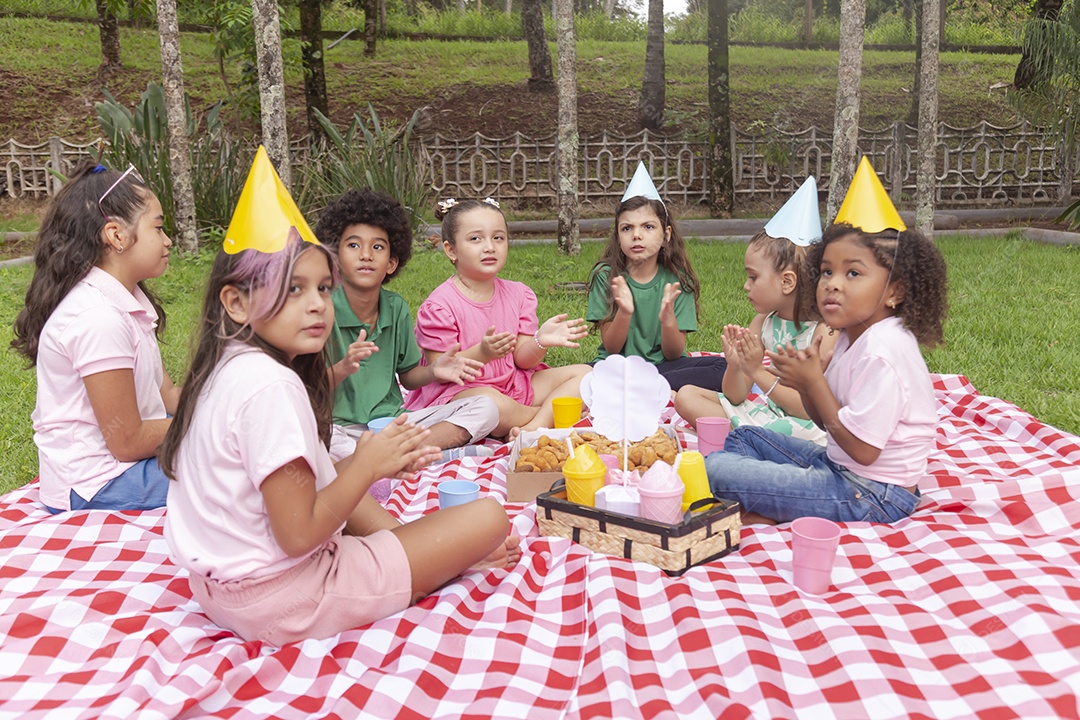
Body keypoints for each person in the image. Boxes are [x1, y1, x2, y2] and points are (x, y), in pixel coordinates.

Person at [161, 150, 520, 646]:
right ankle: (428, 555)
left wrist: (392, 509)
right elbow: (299, 535)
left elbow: (321, 480)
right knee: (489, 518)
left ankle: (416, 549)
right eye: (292, 289)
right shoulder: (271, 386)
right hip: (292, 597)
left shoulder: (226, 367)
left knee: (389, 504)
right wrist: (369, 466)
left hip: (223, 591)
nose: (315, 303)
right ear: (236, 301)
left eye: (323, 288)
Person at [705, 159, 948, 525]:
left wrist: (813, 383)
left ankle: (769, 509)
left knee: (715, 470)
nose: (833, 283)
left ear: (894, 291)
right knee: (747, 439)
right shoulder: (853, 337)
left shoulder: (884, 351)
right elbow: (826, 422)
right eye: (826, 272)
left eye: (853, 273)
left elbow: (864, 451)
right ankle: (775, 505)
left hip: (873, 493)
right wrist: (806, 385)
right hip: (840, 466)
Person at [12, 161, 177, 512]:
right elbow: (128, 441)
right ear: (116, 235)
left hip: (127, 466)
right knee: (241, 478)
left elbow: (171, 397)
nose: (168, 240)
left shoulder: (127, 302)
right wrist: (209, 426)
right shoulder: (97, 318)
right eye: (159, 229)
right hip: (97, 482)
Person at [314, 189, 499, 464]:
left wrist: (435, 371)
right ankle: (428, 456)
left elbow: (409, 377)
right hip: (340, 429)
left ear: (391, 263)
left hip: (393, 424)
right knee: (317, 443)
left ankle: (389, 459)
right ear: (335, 258)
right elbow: (305, 386)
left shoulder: (396, 307)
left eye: (377, 247)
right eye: (353, 245)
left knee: (486, 407)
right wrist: (343, 367)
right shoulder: (320, 309)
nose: (366, 255)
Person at [404, 197, 592, 437]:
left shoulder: (519, 294)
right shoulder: (439, 307)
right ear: (451, 250)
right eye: (475, 239)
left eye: (498, 238)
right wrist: (482, 353)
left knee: (585, 375)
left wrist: (540, 341)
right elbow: (441, 372)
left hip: (512, 384)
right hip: (462, 393)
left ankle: (530, 427)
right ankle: (545, 416)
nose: (489, 247)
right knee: (491, 404)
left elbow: (523, 362)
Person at [675, 177, 835, 444]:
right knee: (687, 395)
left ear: (787, 282)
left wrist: (758, 372)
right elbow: (737, 395)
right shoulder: (763, 322)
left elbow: (809, 409)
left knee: (789, 432)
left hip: (807, 428)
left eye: (753, 277)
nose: (746, 286)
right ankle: (752, 440)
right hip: (767, 416)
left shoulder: (824, 331)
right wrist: (736, 367)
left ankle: (752, 441)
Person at [586, 162, 727, 391]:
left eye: (648, 227)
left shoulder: (678, 280)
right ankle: (644, 388)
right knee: (580, 376)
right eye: (627, 228)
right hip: (616, 367)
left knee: (724, 368)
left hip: (663, 368)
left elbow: (673, 354)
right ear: (618, 235)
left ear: (666, 235)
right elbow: (611, 347)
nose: (637, 235)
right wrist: (624, 311)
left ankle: (637, 388)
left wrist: (668, 318)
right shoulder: (606, 276)